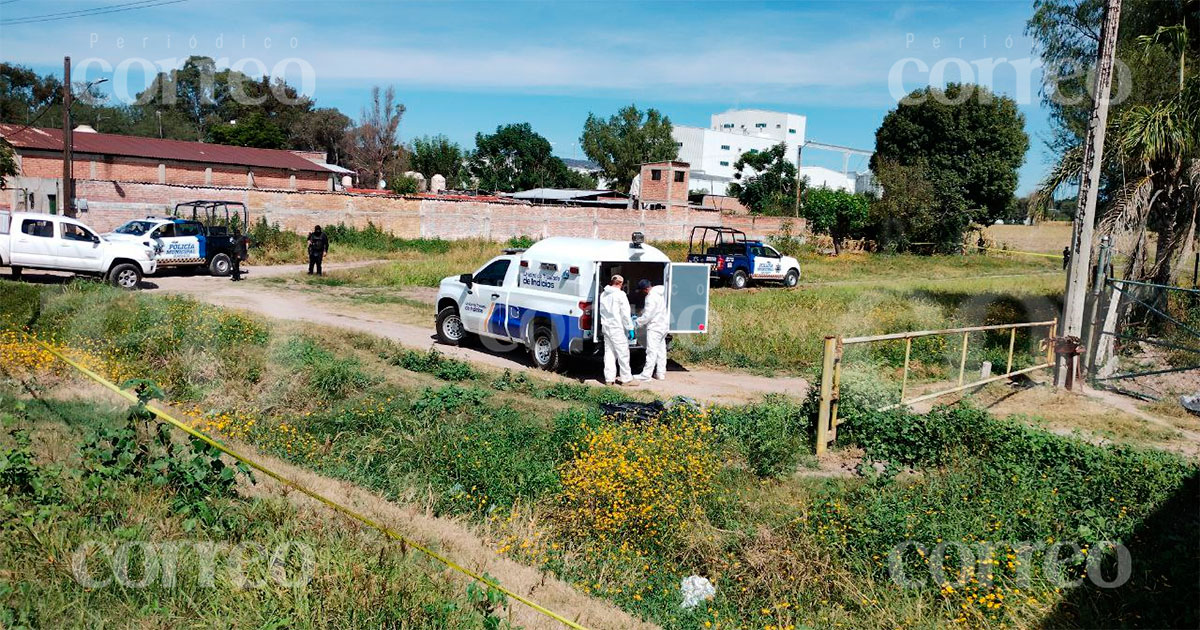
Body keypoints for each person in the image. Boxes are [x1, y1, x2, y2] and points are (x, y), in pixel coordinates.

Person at [598, 274, 637, 386]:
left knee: (609, 353)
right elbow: (625, 314)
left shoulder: (604, 294)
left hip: (606, 327)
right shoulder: (620, 295)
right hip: (617, 328)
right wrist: (630, 328)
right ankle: (626, 379)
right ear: (620, 283)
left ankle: (609, 379)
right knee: (623, 353)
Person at [633, 279, 668, 381]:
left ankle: (646, 375)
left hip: (655, 327)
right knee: (661, 351)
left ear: (646, 289)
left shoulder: (651, 297)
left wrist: (637, 322)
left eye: (642, 290)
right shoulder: (661, 294)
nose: (643, 293)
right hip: (663, 326)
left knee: (651, 351)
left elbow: (648, 315)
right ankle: (660, 373)